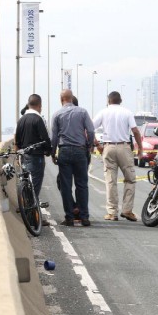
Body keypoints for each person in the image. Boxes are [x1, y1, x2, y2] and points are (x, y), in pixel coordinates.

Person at [93, 91, 143, 221]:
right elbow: (135, 131)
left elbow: (89, 128)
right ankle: (127, 210)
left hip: (108, 147)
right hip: (124, 147)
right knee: (130, 179)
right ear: (120, 100)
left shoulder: (103, 112)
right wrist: (140, 148)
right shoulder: (127, 112)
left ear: (108, 100)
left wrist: (97, 144)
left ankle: (112, 213)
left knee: (110, 181)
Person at [51, 89, 95, 227]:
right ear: (72, 98)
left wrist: (53, 153)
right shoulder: (82, 112)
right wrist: (89, 145)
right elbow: (91, 130)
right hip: (80, 151)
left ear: (61, 99)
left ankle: (69, 217)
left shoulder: (57, 114)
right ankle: (84, 217)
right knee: (82, 185)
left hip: (64, 151)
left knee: (65, 186)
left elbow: (54, 137)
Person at [14, 94, 52, 226]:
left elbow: (17, 140)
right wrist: (49, 151)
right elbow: (45, 139)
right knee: (34, 188)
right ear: (39, 105)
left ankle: (30, 216)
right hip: (36, 157)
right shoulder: (38, 119)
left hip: (24, 156)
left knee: (26, 186)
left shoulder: (21, 120)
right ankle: (34, 218)